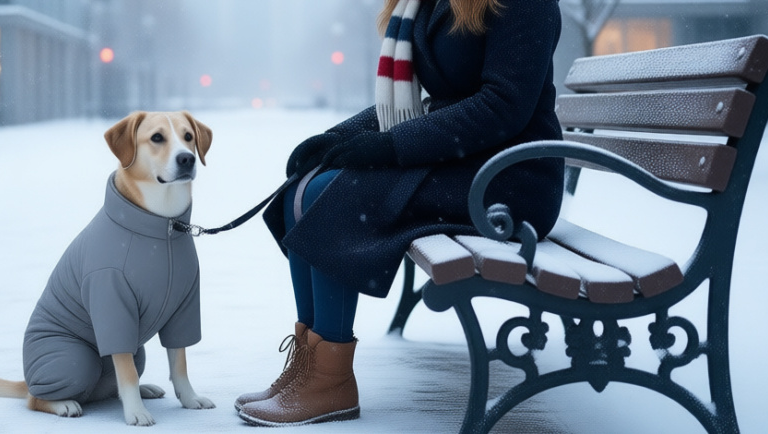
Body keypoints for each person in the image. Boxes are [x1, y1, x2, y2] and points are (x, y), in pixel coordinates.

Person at [236, 0, 565, 426]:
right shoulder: (427, 4)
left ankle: (331, 380)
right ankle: (309, 367)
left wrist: (391, 147)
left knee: (332, 195)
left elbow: (503, 106)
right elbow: (423, 101)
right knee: (304, 187)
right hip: (465, 162)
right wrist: (334, 139)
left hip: (509, 178)